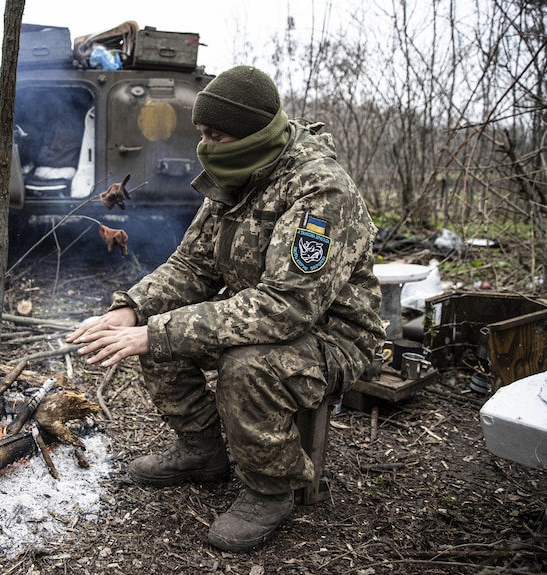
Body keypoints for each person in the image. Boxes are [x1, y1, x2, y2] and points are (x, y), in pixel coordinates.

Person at [67, 65, 385, 553]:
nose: (206, 146)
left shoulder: (321, 191)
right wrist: (131, 310)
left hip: (331, 334)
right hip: (261, 315)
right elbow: (191, 267)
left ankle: (271, 489)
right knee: (157, 330)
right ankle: (203, 452)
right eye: (202, 134)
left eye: (217, 134)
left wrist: (158, 332)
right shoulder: (234, 175)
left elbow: (286, 306)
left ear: (254, 131)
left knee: (243, 365)